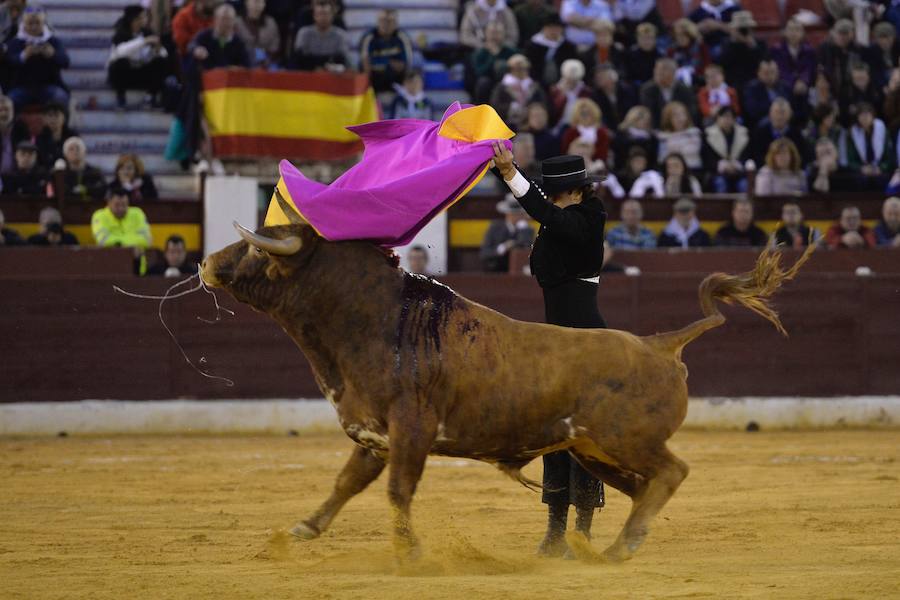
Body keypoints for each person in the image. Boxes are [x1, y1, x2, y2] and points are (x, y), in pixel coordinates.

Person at [490, 142, 606, 558]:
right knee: (552, 437)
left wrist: (510, 175)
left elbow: (550, 215)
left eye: (553, 193)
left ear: (571, 192)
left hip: (586, 344)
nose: (551, 199)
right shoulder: (557, 220)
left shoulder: (589, 217)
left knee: (584, 440)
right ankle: (556, 533)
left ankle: (583, 534)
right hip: (555, 345)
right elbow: (547, 214)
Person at [5, 6, 71, 109]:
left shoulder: (53, 41)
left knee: (60, 97)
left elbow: (66, 62)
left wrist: (53, 55)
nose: (34, 27)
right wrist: (23, 56)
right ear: (24, 24)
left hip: (49, 86)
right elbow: (8, 63)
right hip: (21, 87)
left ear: (43, 23)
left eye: (37, 23)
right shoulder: (16, 42)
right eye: (30, 23)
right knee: (8, 102)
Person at [107, 5, 169, 109]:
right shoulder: (120, 34)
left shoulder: (147, 32)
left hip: (141, 72)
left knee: (161, 62)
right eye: (141, 18)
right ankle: (121, 97)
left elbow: (164, 54)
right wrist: (143, 42)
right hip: (124, 74)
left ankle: (151, 97)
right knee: (120, 63)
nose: (144, 20)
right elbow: (120, 52)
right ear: (133, 20)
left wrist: (157, 50)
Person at [91, 186, 153, 274]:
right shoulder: (99, 216)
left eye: (124, 205)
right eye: (117, 205)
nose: (121, 208)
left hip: (138, 268)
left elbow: (147, 240)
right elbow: (103, 241)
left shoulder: (137, 213)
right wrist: (131, 247)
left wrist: (118, 243)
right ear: (108, 203)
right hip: (109, 268)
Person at [359, 9, 413, 93]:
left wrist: (379, 62)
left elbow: (405, 64)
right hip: (374, 78)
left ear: (396, 23)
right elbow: (365, 64)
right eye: (383, 20)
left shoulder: (402, 37)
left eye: (390, 21)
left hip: (395, 79)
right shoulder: (369, 37)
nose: (386, 24)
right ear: (377, 22)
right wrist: (389, 62)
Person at [844, 102, 894, 191]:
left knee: (882, 179)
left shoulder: (882, 130)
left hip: (879, 169)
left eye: (867, 114)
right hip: (862, 170)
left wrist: (881, 168)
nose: (865, 118)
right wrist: (861, 168)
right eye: (862, 115)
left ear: (873, 116)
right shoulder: (852, 134)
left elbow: (889, 157)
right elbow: (850, 160)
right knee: (860, 180)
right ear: (857, 117)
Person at [479, 194, 536, 272]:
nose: (516, 216)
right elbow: (485, 253)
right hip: (497, 271)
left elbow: (526, 248)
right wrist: (503, 247)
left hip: (518, 271)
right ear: (507, 214)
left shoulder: (527, 230)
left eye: (519, 214)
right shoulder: (495, 228)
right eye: (513, 213)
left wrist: (523, 230)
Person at [489, 54, 547, 129]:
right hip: (506, 124)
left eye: (525, 68)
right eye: (519, 69)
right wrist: (511, 108)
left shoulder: (534, 86)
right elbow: (495, 106)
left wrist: (531, 109)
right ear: (512, 69)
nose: (523, 71)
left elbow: (543, 103)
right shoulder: (502, 87)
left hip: (530, 126)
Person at [748, 98, 810, 166]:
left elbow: (803, 157)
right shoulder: (759, 133)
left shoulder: (797, 135)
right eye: (776, 112)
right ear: (770, 114)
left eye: (783, 112)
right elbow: (754, 155)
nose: (779, 117)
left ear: (789, 114)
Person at [640, 58, 700, 129]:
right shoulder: (647, 89)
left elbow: (691, 112)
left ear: (673, 72)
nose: (658, 72)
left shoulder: (685, 90)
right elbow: (649, 112)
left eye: (663, 69)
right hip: (656, 129)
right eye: (656, 68)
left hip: (682, 129)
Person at [524, 12, 578, 89]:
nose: (553, 31)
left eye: (556, 28)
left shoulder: (568, 46)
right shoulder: (532, 45)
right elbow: (528, 67)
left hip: (563, 85)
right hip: (537, 84)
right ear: (543, 28)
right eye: (550, 27)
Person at [292, 0, 349, 71]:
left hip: (332, 75)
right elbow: (299, 58)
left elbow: (342, 59)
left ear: (332, 16)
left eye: (326, 14)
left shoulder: (341, 35)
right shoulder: (304, 33)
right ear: (314, 16)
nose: (323, 18)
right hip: (308, 74)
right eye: (320, 14)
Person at [718, 11, 768, 93]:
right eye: (740, 29)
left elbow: (764, 63)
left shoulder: (760, 44)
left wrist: (752, 46)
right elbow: (722, 63)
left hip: (755, 84)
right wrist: (734, 41)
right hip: (734, 84)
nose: (743, 31)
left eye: (745, 28)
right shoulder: (727, 44)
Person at [189, 4, 250, 70]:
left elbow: (247, 65)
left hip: (229, 78)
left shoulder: (239, 42)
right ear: (215, 19)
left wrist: (238, 69)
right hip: (206, 77)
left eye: (230, 19)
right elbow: (192, 45)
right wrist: (197, 49)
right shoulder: (205, 35)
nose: (226, 23)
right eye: (223, 19)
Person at [702, 106, 748, 193]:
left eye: (729, 117)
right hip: (717, 173)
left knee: (744, 184)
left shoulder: (744, 134)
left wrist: (737, 165)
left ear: (734, 119)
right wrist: (723, 166)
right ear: (717, 118)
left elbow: (747, 156)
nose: (726, 120)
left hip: (739, 173)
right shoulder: (708, 134)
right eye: (723, 116)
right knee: (720, 183)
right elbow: (707, 158)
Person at [469, 20, 516, 103]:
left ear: (504, 34)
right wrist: (493, 56)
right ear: (486, 33)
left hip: (509, 84)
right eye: (492, 33)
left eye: (498, 33)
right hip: (487, 85)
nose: (495, 36)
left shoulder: (511, 52)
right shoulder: (479, 53)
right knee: (483, 82)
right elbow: (479, 73)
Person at [741, 60, 793, 131]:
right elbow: (752, 111)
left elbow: (791, 106)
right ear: (759, 73)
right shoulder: (751, 88)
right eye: (766, 73)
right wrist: (774, 113)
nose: (770, 76)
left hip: (785, 121)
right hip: (762, 123)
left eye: (772, 72)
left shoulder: (785, 87)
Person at [770, 18, 817, 96]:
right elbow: (780, 70)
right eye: (791, 29)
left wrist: (803, 81)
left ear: (803, 33)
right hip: (784, 88)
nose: (794, 33)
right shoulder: (776, 50)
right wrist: (793, 82)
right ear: (784, 32)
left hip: (805, 87)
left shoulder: (810, 51)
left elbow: (809, 69)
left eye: (797, 30)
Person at [54, 137, 107, 202]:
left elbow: (102, 189)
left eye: (78, 148)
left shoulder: (95, 172)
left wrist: (85, 190)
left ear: (84, 152)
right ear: (65, 154)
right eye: (71, 149)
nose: (75, 151)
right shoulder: (62, 174)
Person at [559, 97, 609, 162]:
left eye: (588, 113)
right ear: (577, 115)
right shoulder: (571, 132)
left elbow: (603, 153)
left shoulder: (601, 132)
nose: (586, 116)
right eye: (582, 114)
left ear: (594, 114)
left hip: (595, 164)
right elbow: (565, 152)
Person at [657, 101, 703, 170]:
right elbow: (662, 158)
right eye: (675, 115)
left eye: (682, 114)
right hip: (672, 171)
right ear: (668, 118)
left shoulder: (694, 133)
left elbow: (692, 150)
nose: (680, 118)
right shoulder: (663, 137)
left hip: (694, 169)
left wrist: (674, 149)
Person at [590, 63, 635, 132]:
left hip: (628, 126)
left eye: (601, 76)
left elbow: (633, 109)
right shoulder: (595, 95)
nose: (597, 79)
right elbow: (598, 116)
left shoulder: (626, 90)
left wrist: (627, 123)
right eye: (597, 77)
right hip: (608, 130)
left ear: (612, 78)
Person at [236, 0, 281, 68]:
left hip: (266, 66)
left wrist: (264, 61)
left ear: (264, 4)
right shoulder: (237, 23)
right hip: (242, 66)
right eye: (255, 1)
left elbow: (274, 48)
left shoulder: (271, 23)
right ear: (246, 3)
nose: (257, 5)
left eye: (260, 2)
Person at [549, 59, 592, 127]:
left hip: (580, 124)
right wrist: (562, 95)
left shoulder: (586, 91)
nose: (571, 81)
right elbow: (553, 110)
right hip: (560, 124)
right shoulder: (555, 90)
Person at [667, 18, 709, 87]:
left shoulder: (700, 46)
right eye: (677, 35)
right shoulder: (671, 50)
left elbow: (707, 64)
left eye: (684, 35)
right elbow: (669, 67)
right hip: (678, 82)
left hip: (699, 79)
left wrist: (694, 72)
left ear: (689, 35)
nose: (680, 38)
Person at [839, 62, 883, 126]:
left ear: (868, 77)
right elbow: (843, 114)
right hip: (853, 125)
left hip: (875, 124)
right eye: (857, 79)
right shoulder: (846, 92)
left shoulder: (877, 90)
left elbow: (882, 110)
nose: (859, 81)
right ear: (852, 79)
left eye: (862, 78)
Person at [35, 102, 77, 169]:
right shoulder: (39, 138)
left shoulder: (73, 137)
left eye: (56, 115)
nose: (53, 119)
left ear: (64, 118)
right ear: (45, 119)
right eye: (50, 115)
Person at [0, 95, 29, 176]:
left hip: (16, 175)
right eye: (0, 110)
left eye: (7, 110)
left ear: (13, 111)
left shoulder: (21, 128)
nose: (3, 114)